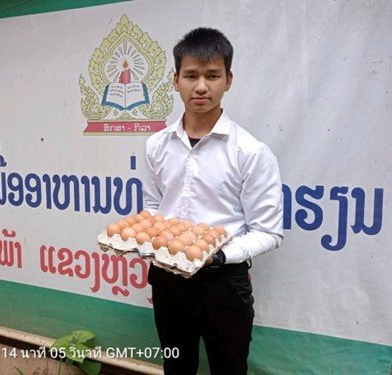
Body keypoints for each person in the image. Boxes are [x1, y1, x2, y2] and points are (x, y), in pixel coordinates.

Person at [142, 28, 284, 374]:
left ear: (228, 79)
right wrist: (144, 237)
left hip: (224, 285)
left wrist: (218, 255)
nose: (201, 86)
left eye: (212, 75)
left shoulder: (250, 152)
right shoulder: (156, 146)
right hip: (168, 281)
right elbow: (152, 208)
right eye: (191, 75)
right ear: (175, 80)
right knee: (176, 367)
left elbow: (269, 232)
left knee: (229, 368)